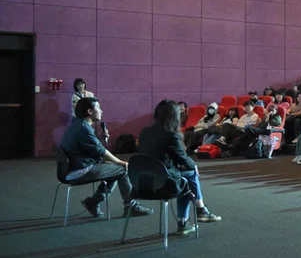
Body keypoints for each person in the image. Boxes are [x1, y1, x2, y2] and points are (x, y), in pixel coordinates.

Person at [137, 100, 221, 234]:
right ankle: (199, 211)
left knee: (183, 179)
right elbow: (182, 157)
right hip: (163, 183)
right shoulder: (171, 135)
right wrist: (194, 166)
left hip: (142, 183)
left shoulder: (144, 132)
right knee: (189, 175)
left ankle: (191, 218)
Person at [59, 97, 151, 218]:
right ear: (90, 111)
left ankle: (94, 202)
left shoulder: (77, 125)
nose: (101, 111)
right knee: (123, 170)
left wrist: (101, 138)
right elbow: (101, 152)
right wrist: (122, 162)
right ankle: (130, 206)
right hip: (78, 170)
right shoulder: (83, 128)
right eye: (98, 108)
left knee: (114, 171)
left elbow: (91, 148)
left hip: (72, 168)